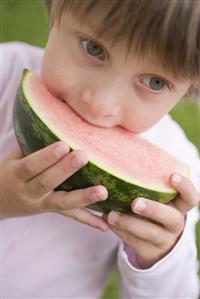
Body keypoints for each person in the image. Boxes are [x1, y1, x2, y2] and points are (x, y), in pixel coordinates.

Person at [1, 0, 200, 297]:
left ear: (192, 86)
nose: (100, 104)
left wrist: (160, 259)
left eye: (155, 82)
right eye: (94, 48)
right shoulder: (4, 74)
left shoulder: (178, 174)